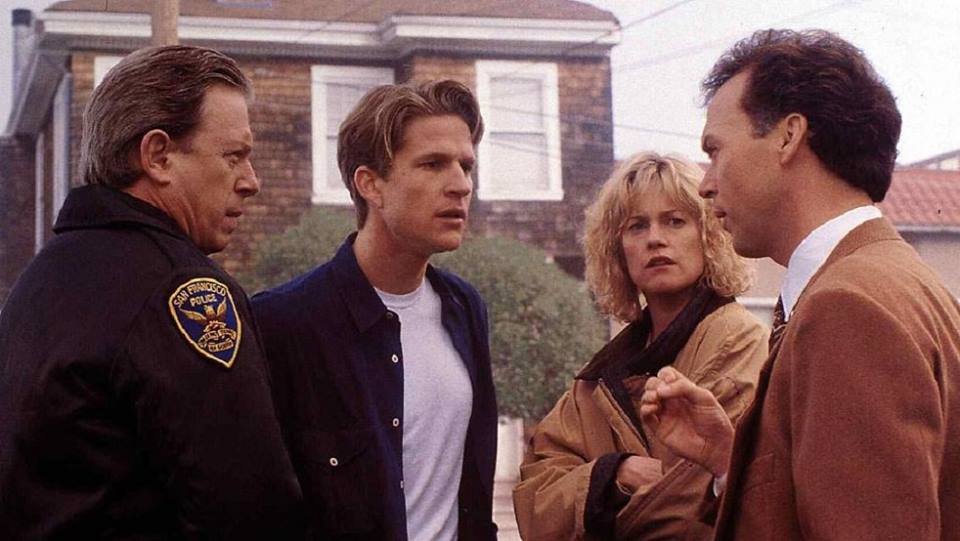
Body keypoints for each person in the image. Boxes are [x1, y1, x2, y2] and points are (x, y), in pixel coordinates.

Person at [640, 29, 960, 539]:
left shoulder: (847, 307)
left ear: (789, 136)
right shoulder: (897, 280)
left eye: (716, 150)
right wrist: (731, 459)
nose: (705, 184)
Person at [0, 46, 303, 538]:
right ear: (158, 156)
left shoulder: (38, 282)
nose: (252, 181)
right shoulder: (184, 290)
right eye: (234, 156)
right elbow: (248, 507)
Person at [251, 80, 498, 540]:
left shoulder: (464, 309)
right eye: (433, 164)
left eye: (466, 166)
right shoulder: (281, 323)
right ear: (370, 184)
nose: (461, 185)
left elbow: (472, 490)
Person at [512, 152, 768, 540]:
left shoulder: (738, 342)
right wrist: (615, 474)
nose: (655, 238)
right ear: (617, 250)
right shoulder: (597, 378)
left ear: (710, 235)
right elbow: (535, 501)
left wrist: (594, 507)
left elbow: (697, 508)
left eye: (675, 221)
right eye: (636, 226)